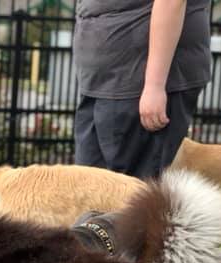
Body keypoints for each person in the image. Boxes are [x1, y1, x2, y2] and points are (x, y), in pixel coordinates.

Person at [72, 0, 212, 179]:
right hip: (103, 85)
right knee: (93, 185)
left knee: (132, 189)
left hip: (137, 86)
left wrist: (154, 86)